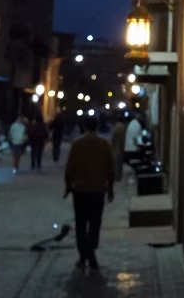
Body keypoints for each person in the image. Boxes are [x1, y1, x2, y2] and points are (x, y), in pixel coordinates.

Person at [63, 115, 115, 270]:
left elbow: (69, 168)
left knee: (80, 223)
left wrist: (68, 186)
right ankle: (91, 251)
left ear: (84, 127)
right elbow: (110, 169)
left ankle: (82, 255)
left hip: (80, 190)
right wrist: (110, 189)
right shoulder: (104, 144)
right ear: (97, 127)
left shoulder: (77, 144)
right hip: (98, 190)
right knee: (94, 222)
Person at [110, 117, 127, 182]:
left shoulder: (116, 127)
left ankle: (117, 176)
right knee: (119, 162)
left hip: (116, 147)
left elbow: (113, 138)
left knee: (117, 162)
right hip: (121, 146)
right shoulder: (123, 127)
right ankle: (119, 176)